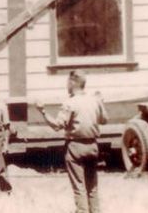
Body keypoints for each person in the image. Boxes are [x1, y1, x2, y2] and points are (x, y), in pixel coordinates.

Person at [34, 70, 107, 213]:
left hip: (75, 147)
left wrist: (42, 111)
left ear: (73, 83)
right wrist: (101, 103)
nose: (66, 85)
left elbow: (57, 125)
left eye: (68, 82)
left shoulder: (70, 103)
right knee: (92, 188)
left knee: (79, 187)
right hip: (93, 146)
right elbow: (104, 120)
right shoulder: (94, 100)